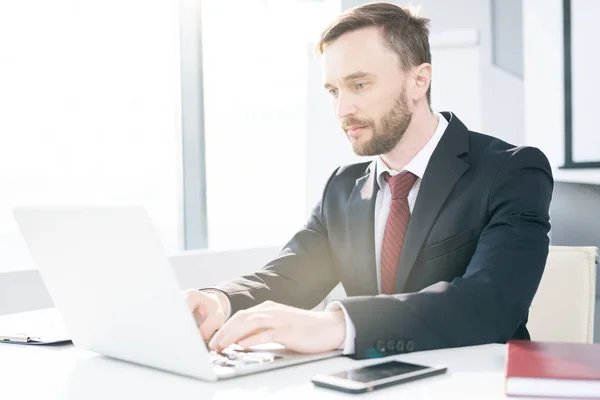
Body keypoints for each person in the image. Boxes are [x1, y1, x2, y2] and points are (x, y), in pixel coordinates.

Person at [184, 2, 553, 359]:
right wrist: (220, 300)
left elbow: (491, 305)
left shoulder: (513, 172)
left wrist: (337, 326)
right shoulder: (342, 188)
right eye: (333, 90)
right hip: (373, 382)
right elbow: (289, 276)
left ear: (419, 81)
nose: (341, 109)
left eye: (359, 85)